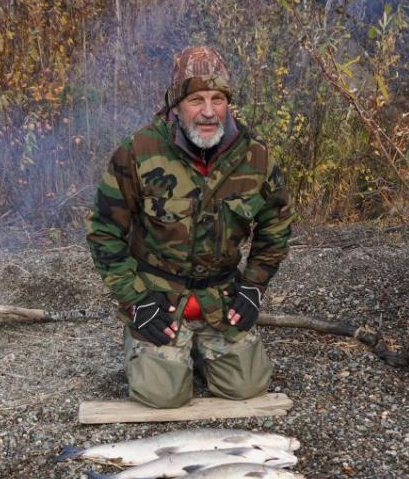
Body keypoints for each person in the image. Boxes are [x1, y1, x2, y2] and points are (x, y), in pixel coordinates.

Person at [86, 45, 294, 409]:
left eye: (218, 99)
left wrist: (253, 287)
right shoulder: (139, 151)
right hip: (159, 299)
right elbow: (104, 230)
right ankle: (150, 347)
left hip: (220, 297)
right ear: (176, 104)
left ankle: (198, 350)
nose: (209, 112)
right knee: (163, 395)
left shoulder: (255, 156)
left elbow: (276, 225)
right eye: (196, 100)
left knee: (248, 386)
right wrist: (135, 300)